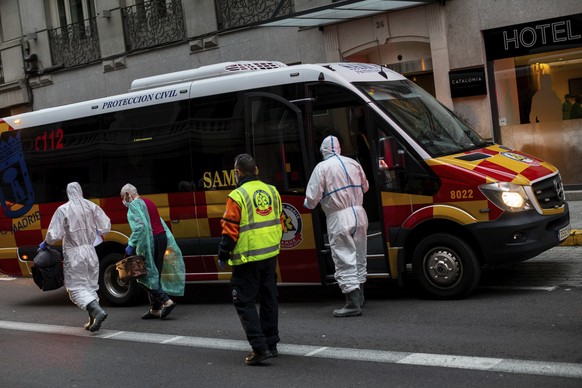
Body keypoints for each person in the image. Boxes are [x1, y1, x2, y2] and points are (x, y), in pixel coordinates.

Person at [218, 154, 283, 366]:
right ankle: (272, 344)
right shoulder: (272, 191)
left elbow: (230, 230)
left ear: (237, 172)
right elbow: (280, 221)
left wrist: (223, 253)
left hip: (247, 258)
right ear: (256, 170)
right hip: (270, 254)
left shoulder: (237, 196)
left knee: (244, 301)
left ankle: (259, 347)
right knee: (268, 299)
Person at [304, 135, 369, 318]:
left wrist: (307, 204)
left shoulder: (322, 167)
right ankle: (360, 296)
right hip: (359, 213)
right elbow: (366, 186)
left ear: (323, 150)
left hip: (339, 217)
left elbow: (312, 198)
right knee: (359, 255)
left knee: (344, 257)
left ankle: (352, 304)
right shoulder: (353, 163)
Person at [39, 182, 111, 332]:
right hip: (91, 251)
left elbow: (54, 234)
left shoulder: (63, 209)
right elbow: (105, 226)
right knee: (90, 286)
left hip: (74, 253)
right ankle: (92, 319)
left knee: (75, 289)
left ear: (68, 193)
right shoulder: (91, 206)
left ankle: (97, 312)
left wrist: (45, 243)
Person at [120, 183, 185, 319]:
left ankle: (166, 302)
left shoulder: (134, 206)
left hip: (151, 241)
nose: (124, 202)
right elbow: (159, 222)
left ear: (128, 194)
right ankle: (155, 308)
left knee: (143, 275)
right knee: (156, 273)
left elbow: (140, 228)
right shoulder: (148, 202)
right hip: (161, 238)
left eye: (123, 198)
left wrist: (131, 244)